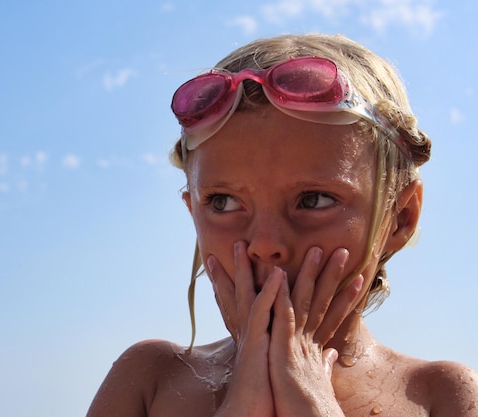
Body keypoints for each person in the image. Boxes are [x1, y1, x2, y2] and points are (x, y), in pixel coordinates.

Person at [86, 33, 478, 417]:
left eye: (314, 200)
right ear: (194, 214)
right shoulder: (149, 380)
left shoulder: (439, 397)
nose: (265, 244)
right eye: (223, 202)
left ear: (400, 217)